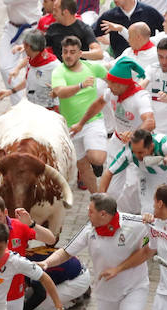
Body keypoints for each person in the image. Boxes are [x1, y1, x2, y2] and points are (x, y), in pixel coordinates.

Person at [51, 34, 110, 192]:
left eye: (72, 52)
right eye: (65, 52)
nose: (68, 55)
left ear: (80, 53)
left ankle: (98, 161)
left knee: (96, 158)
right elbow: (61, 92)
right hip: (71, 128)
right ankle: (97, 197)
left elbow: (112, 80)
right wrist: (81, 85)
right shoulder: (59, 71)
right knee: (82, 168)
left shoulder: (92, 68)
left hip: (92, 121)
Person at [95, 0, 164, 56]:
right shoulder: (109, 16)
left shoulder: (149, 12)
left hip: (147, 60)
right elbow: (91, 32)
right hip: (121, 64)